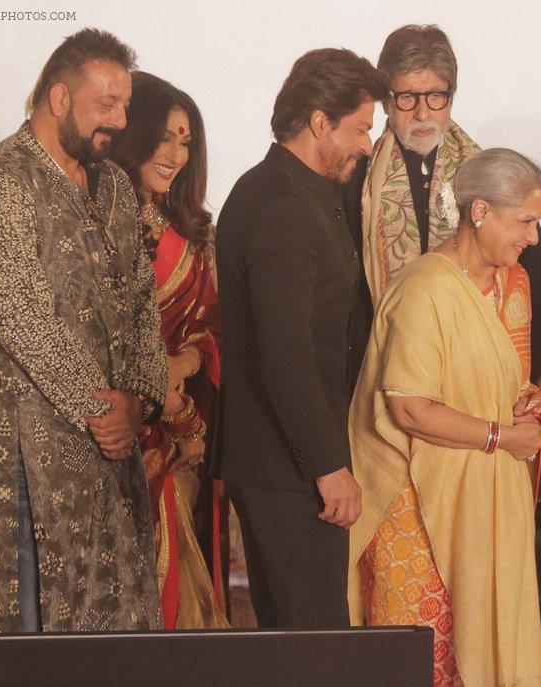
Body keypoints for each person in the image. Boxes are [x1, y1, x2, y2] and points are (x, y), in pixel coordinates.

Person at [0, 28, 167, 633]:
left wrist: (139, 400)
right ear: (60, 98)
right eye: (106, 104)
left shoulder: (116, 187)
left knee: (115, 640)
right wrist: (104, 410)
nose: (120, 120)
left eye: (124, 104)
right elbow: (22, 316)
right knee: (30, 637)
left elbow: (142, 300)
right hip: (29, 456)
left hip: (112, 453)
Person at [349, 149, 541, 686]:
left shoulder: (503, 287)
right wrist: (502, 435)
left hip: (483, 499)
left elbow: (488, 381)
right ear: (481, 211)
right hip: (419, 508)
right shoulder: (423, 289)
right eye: (526, 222)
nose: (533, 239)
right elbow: (410, 408)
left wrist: (523, 402)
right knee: (427, 657)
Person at [215, 48, 389, 628]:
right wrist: (327, 465)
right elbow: (285, 355)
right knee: (314, 644)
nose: (368, 145)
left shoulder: (299, 193)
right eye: (362, 127)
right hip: (285, 466)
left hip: (285, 460)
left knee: (298, 642)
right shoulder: (283, 205)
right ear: (320, 122)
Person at [358, 24, 541, 397]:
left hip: (483, 385)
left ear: (452, 95)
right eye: (407, 97)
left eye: (436, 96)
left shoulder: (492, 177)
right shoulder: (356, 182)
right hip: (388, 381)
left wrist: (523, 389)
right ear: (386, 99)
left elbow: (538, 298)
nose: (421, 113)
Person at [110, 71, 229, 629]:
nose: (176, 153)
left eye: (187, 140)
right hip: (108, 423)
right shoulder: (95, 221)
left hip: (171, 435)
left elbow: (211, 325)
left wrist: (182, 366)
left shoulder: (192, 230)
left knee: (176, 598)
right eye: (165, 136)